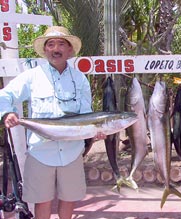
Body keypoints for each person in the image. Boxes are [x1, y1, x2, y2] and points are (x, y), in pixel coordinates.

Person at [0, 26, 106, 219]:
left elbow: (86, 114)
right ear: (45, 50)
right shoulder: (32, 77)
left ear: (69, 50)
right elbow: (4, 95)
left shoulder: (80, 79)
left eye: (61, 44)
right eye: (51, 44)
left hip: (71, 153)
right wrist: (7, 112)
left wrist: (96, 131)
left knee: (69, 199)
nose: (55, 49)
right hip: (40, 152)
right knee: (43, 201)